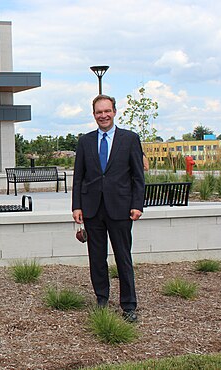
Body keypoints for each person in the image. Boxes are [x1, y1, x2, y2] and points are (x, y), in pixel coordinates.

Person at [72, 94, 145, 322]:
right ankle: (101, 299)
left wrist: (137, 204)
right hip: (92, 209)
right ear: (93, 115)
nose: (103, 115)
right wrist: (77, 206)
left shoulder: (130, 139)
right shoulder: (85, 141)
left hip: (121, 208)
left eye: (107, 111)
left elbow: (137, 176)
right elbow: (78, 177)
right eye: (98, 112)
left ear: (114, 112)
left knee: (123, 257)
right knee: (96, 257)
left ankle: (129, 305)